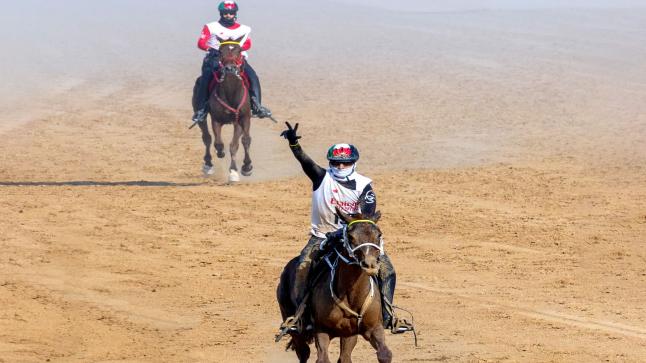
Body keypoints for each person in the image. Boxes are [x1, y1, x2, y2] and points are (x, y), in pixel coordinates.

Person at [279, 121, 413, 334]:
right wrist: (294, 144)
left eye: (345, 163)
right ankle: (300, 318)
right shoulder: (322, 178)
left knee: (387, 270)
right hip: (322, 236)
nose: (340, 167)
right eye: (336, 163)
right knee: (303, 265)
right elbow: (305, 162)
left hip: (356, 240)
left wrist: (350, 233)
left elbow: (366, 219)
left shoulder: (364, 186)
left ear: (354, 163)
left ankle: (389, 316)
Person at [191, 1, 271, 124]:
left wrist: (236, 51)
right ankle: (201, 110)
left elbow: (248, 43)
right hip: (215, 59)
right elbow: (201, 43)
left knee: (253, 77)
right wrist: (214, 49)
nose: (228, 15)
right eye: (225, 13)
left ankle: (257, 107)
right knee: (205, 79)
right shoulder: (211, 26)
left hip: (237, 60)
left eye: (231, 13)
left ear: (235, 14)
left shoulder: (244, 29)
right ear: (221, 13)